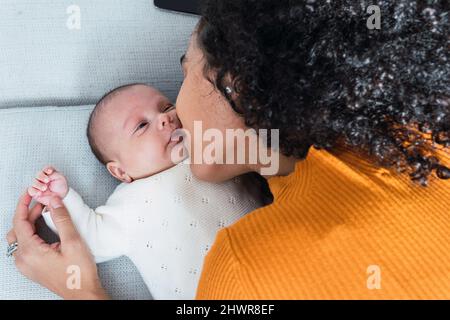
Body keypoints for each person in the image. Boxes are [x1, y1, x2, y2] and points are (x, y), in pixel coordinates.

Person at [7, 0, 450, 299]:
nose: (171, 113)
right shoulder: (424, 131)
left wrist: (84, 291)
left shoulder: (247, 272)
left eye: (183, 74)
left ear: (234, 86)